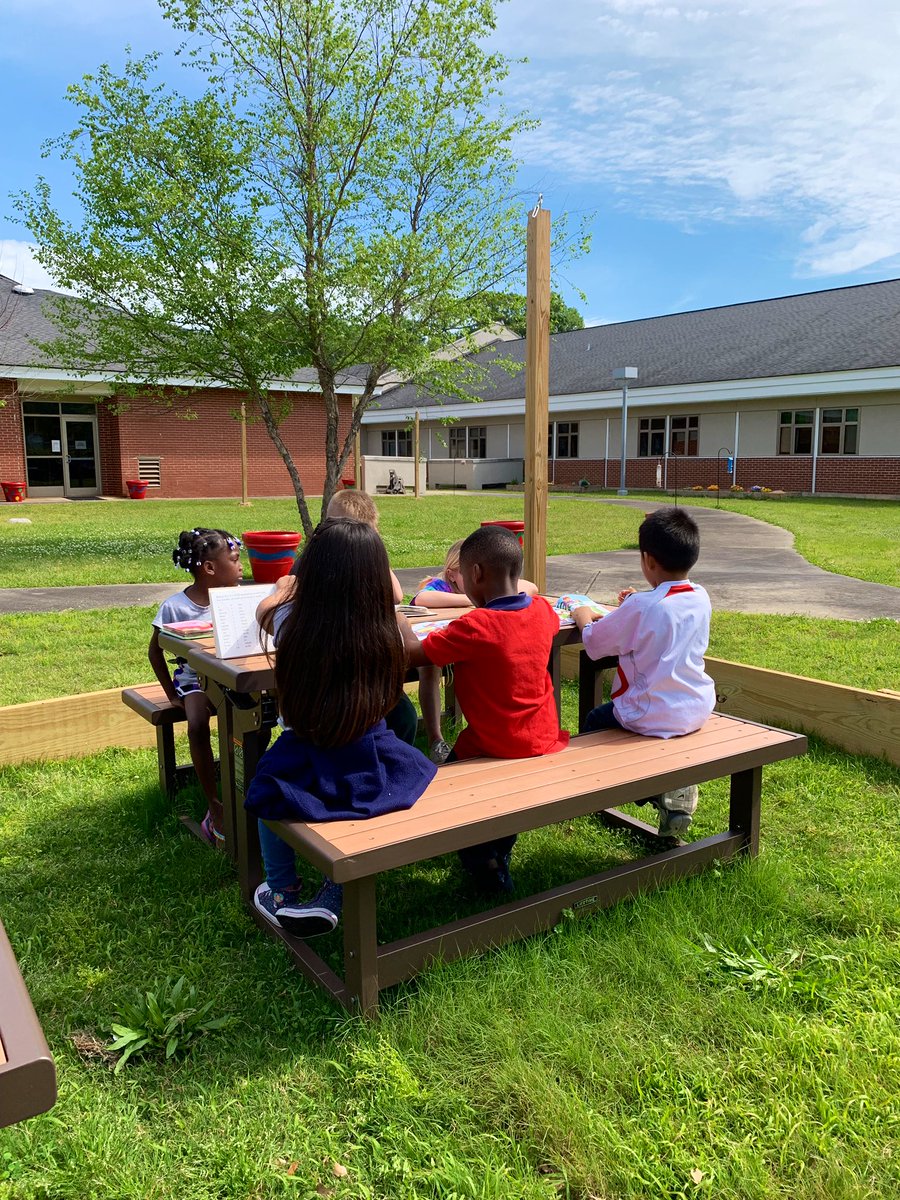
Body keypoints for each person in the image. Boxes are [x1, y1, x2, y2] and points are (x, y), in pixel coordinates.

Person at [246, 518, 436, 936]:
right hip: (371, 754)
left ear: (310, 571)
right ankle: (333, 890)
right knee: (357, 800)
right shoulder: (388, 627)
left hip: (306, 750)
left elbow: (263, 611)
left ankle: (280, 891)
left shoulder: (290, 621)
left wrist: (284, 586)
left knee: (268, 793)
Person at [400, 525, 568, 894]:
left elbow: (413, 655)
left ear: (474, 574)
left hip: (495, 742)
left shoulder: (476, 625)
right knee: (497, 786)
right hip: (543, 737)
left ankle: (485, 861)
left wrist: (397, 618)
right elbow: (546, 611)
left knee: (445, 794)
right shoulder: (541, 611)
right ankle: (498, 849)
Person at [568, 506, 716, 839]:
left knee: (594, 722)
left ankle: (652, 791)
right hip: (696, 707)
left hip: (651, 713)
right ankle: (666, 790)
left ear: (647, 560)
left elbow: (594, 643)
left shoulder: (641, 607)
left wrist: (582, 614)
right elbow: (660, 614)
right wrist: (638, 600)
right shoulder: (700, 596)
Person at [255, 491, 417, 745]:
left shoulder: (295, 622)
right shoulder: (382, 627)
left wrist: (284, 589)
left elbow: (263, 612)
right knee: (404, 713)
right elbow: (396, 597)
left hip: (309, 743)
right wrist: (403, 624)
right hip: (370, 740)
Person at [149, 527, 244, 845]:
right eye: (234, 559)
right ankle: (214, 803)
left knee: (253, 717)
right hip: (194, 681)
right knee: (198, 723)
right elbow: (155, 650)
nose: (241, 566)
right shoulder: (176, 607)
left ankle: (246, 787)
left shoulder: (236, 599)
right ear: (209, 568)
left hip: (233, 675)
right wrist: (171, 694)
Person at [412, 541, 540, 763]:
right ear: (451, 575)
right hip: (448, 641)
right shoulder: (438, 586)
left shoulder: (480, 603)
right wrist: (474, 598)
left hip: (467, 641)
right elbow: (422, 598)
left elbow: (530, 586)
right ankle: (436, 738)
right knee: (429, 668)